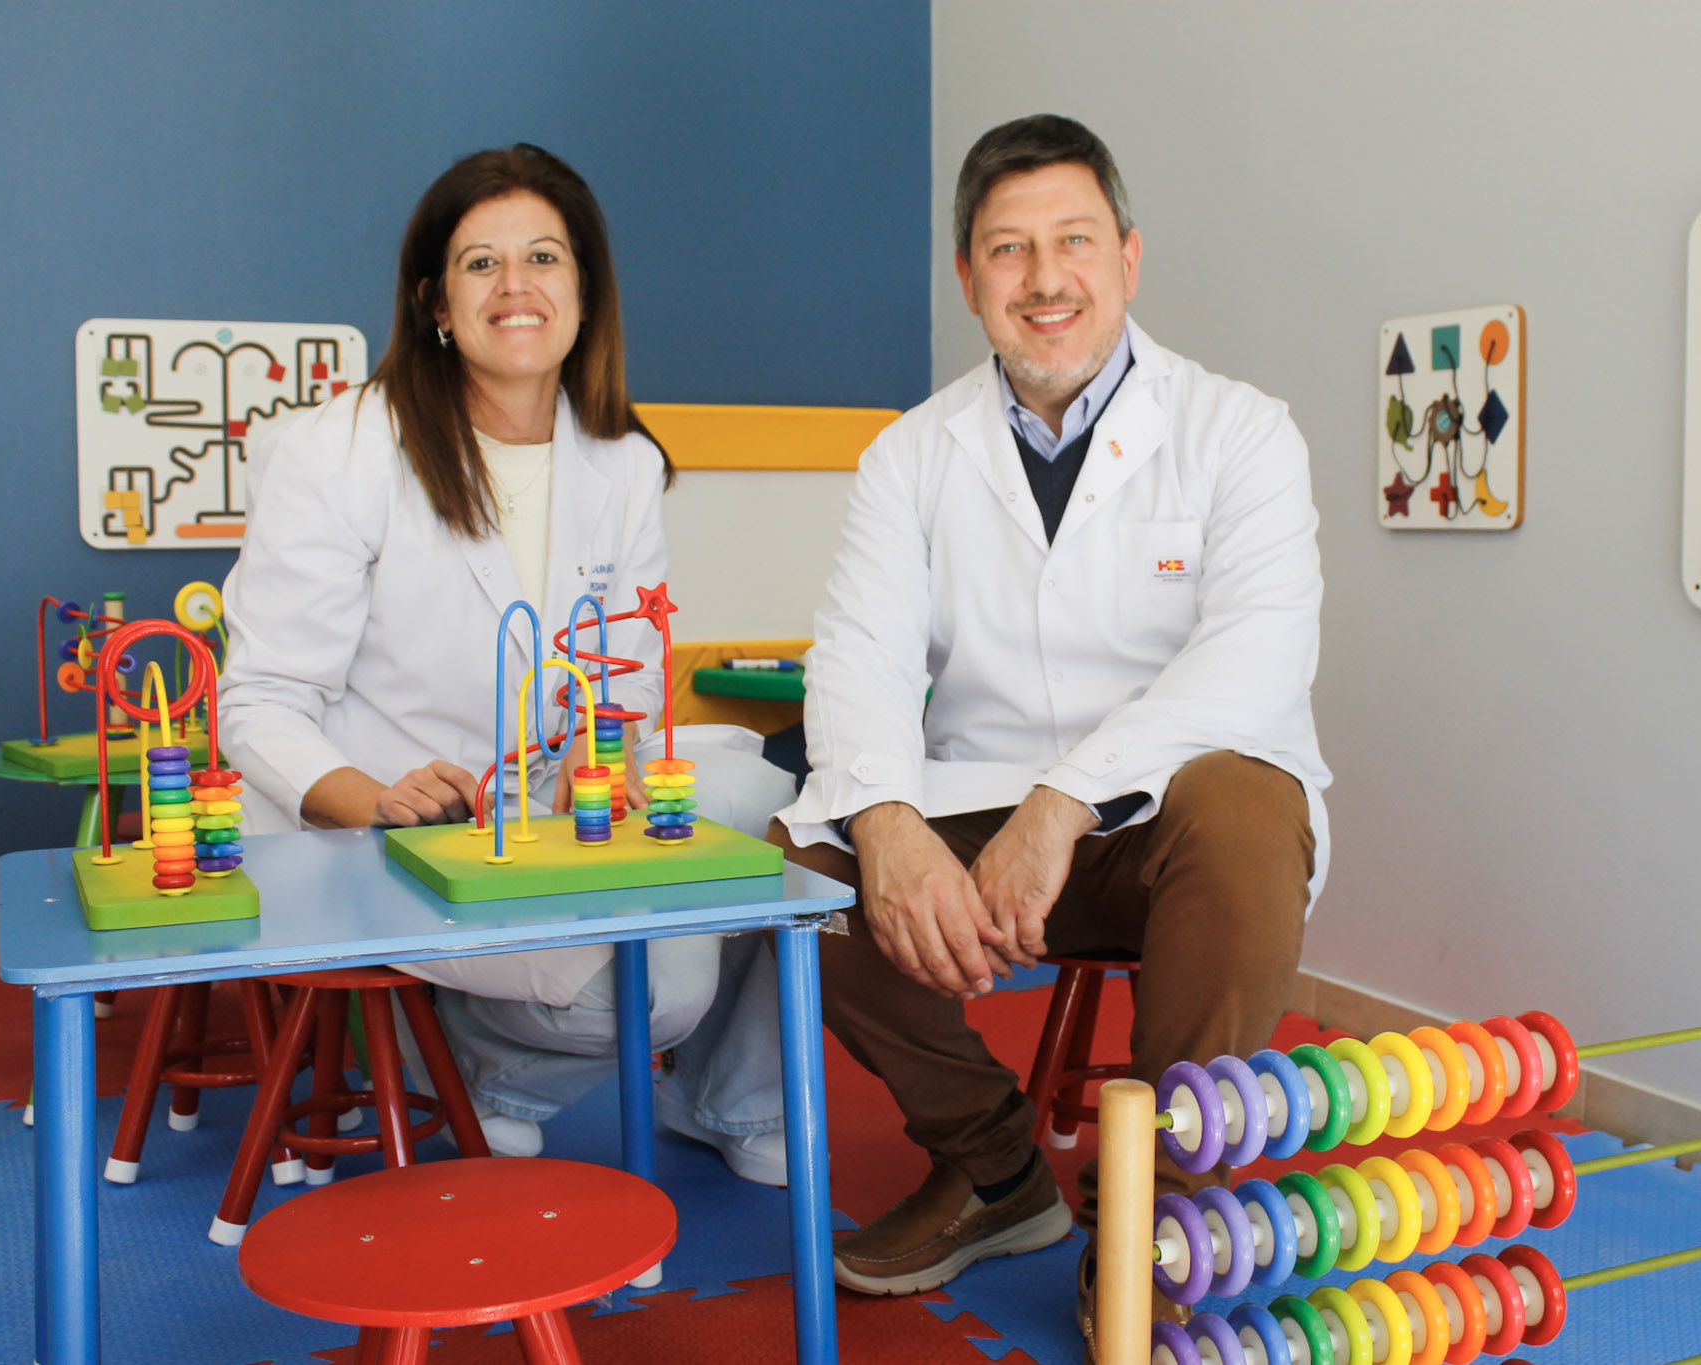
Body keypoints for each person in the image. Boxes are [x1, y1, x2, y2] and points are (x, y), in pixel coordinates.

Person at [770, 115, 1330, 1345]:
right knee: (801, 869)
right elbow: (857, 655)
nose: (1043, 278)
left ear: (1127, 256)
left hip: (1173, 829)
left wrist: (1065, 802)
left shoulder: (1240, 430)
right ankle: (995, 1170)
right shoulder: (909, 456)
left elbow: (1255, 657)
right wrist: (887, 823)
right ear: (967, 278)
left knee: (1248, 799)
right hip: (982, 815)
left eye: (1072, 240)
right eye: (1007, 249)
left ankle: (1160, 1221)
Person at [218, 144, 791, 1184]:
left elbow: (623, 674)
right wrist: (372, 798)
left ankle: (727, 1097)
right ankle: (473, 1060)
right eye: (481, 263)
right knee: (656, 993)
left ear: (585, 292)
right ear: (434, 302)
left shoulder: (621, 461)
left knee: (767, 801)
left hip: (550, 808)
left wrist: (604, 761)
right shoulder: (341, 450)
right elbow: (259, 701)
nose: (515, 285)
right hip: (397, 829)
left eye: (543, 257)